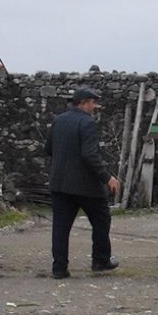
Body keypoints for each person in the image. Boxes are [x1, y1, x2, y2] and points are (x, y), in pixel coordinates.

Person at [45, 88, 121, 279]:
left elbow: (48, 148)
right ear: (83, 103)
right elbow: (89, 155)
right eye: (93, 103)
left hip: (59, 184)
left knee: (60, 227)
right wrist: (107, 177)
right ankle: (101, 260)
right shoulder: (87, 123)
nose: (95, 107)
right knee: (101, 220)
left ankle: (59, 268)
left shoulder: (58, 120)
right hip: (86, 186)